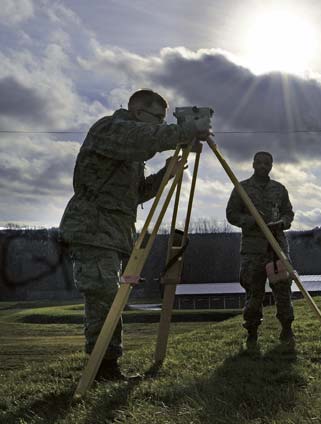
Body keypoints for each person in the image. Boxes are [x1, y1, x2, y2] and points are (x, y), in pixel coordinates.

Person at [59, 89, 210, 380]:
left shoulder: (131, 150)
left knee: (110, 297)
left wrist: (167, 173)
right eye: (158, 118)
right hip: (92, 230)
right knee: (103, 296)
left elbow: (137, 194)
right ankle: (102, 368)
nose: (159, 125)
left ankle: (106, 366)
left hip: (115, 234)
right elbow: (146, 140)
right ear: (139, 112)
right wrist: (186, 130)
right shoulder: (109, 129)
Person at [226, 151, 295, 349]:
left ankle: (287, 329)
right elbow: (231, 214)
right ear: (253, 164)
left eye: (267, 163)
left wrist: (282, 222)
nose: (264, 166)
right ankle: (252, 332)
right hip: (253, 250)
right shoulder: (242, 188)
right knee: (254, 292)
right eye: (260, 162)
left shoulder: (279, 189)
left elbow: (288, 212)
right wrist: (251, 221)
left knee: (283, 290)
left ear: (271, 166)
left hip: (276, 247)